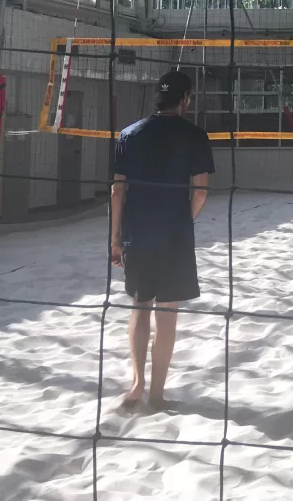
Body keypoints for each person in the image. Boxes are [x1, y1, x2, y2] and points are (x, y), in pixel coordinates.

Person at [110, 69, 214, 410]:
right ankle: (157, 393)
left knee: (140, 309)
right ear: (185, 98)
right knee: (167, 314)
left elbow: (117, 190)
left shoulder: (129, 134)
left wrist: (115, 239)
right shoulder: (195, 135)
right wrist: (183, 221)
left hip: (136, 233)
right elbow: (200, 192)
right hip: (174, 235)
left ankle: (137, 385)